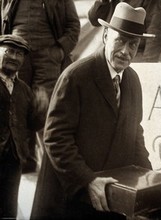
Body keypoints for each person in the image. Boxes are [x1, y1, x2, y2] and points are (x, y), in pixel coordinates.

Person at [31, 2, 153, 219]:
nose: (126, 51)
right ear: (106, 35)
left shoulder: (132, 80)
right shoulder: (76, 76)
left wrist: (149, 178)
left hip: (107, 201)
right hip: (70, 201)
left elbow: (135, 135)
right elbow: (55, 138)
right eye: (120, 41)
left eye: (133, 45)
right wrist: (87, 179)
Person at [0, 0, 81, 173]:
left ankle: (51, 170)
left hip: (48, 57)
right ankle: (25, 164)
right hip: (17, 56)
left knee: (45, 108)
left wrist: (59, 50)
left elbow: (74, 26)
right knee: (17, 106)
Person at [0, 34, 48, 219]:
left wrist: (40, 110)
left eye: (19, 54)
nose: (14, 57)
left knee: (9, 208)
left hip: (14, 159)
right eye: (9, 51)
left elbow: (32, 125)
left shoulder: (24, 90)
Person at [88, 0, 161, 62]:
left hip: (135, 56)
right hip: (111, 52)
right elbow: (94, 20)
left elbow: (155, 34)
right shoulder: (112, 1)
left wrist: (147, 65)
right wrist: (103, 1)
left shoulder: (152, 1)